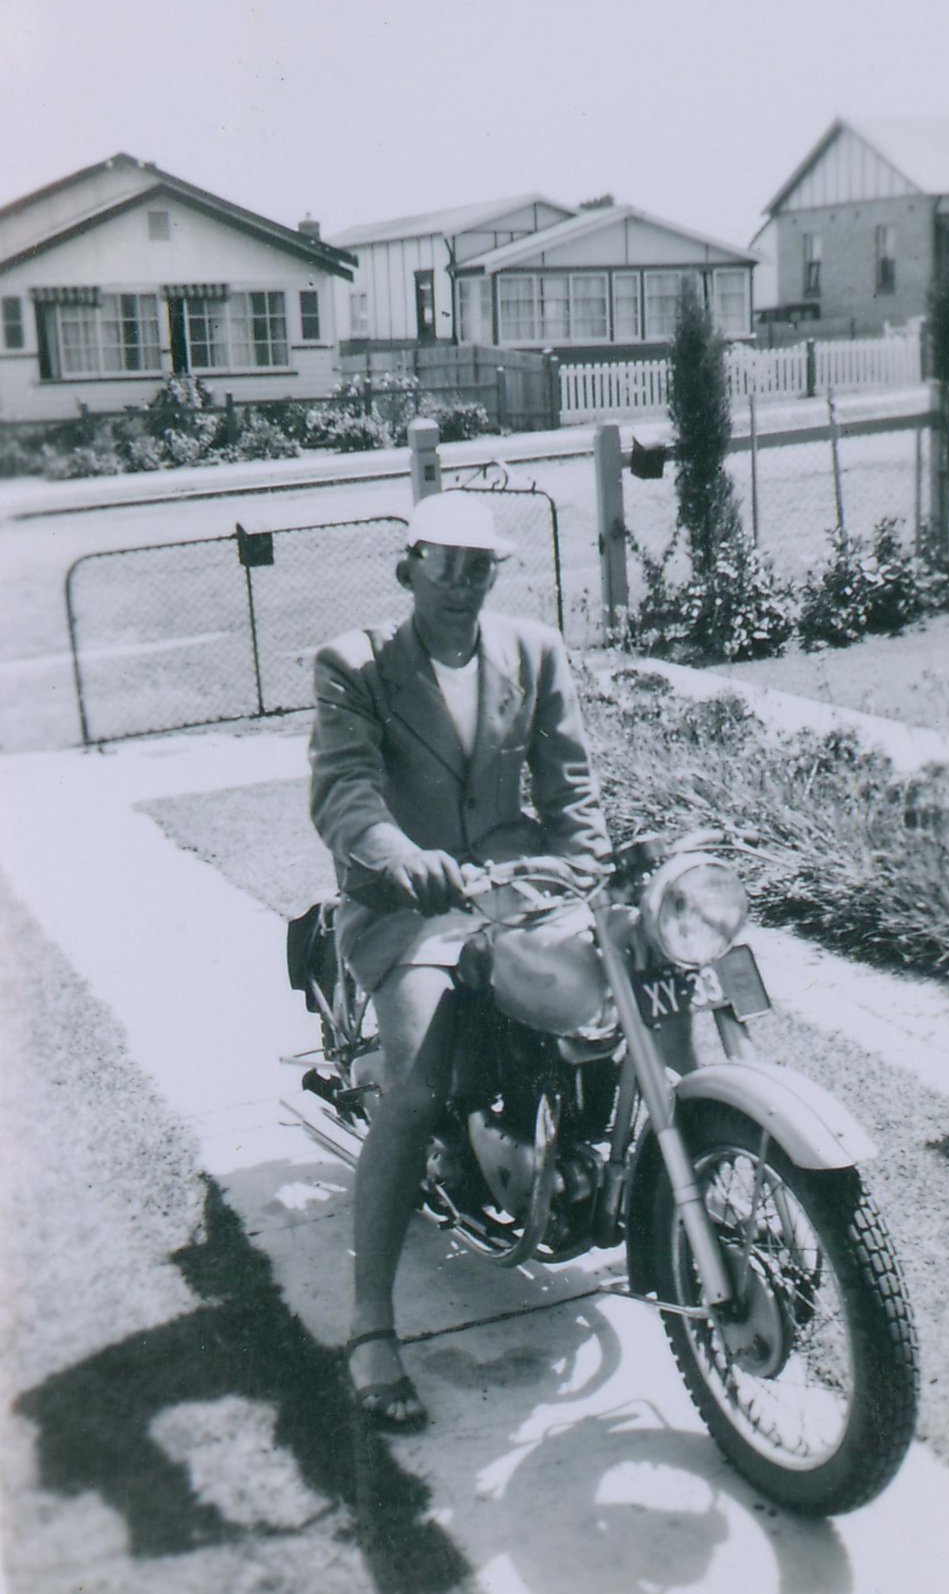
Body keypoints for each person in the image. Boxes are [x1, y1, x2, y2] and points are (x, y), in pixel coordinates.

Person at [309, 489, 610, 1430]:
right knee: (415, 1088)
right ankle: (370, 1326)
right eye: (441, 563)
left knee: (644, 985)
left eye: (477, 566)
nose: (459, 583)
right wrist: (406, 862)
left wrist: (582, 868)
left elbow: (572, 787)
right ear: (408, 566)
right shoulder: (354, 664)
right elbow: (346, 797)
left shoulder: (534, 649)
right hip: (414, 909)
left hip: (523, 887)